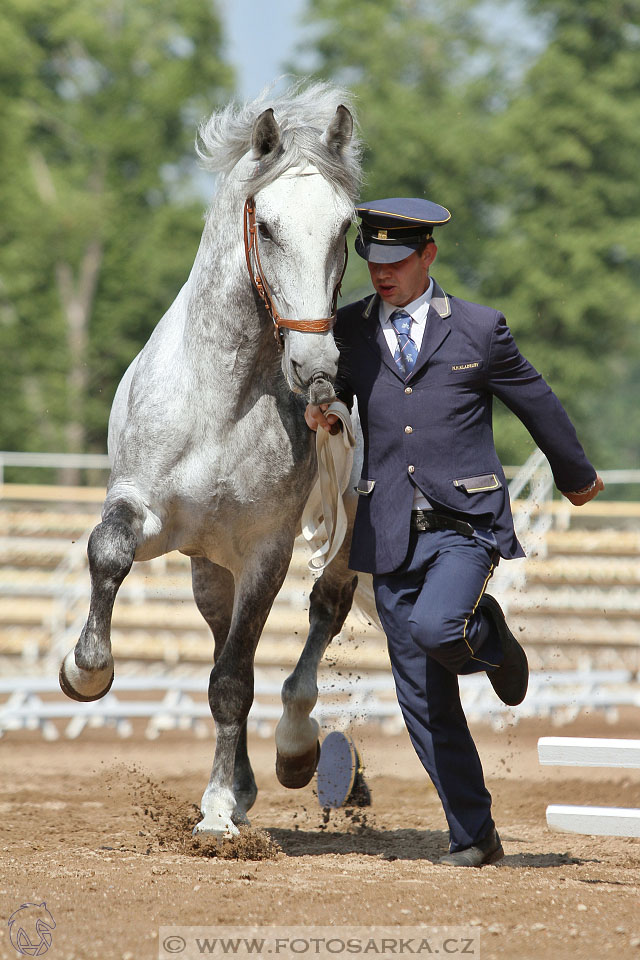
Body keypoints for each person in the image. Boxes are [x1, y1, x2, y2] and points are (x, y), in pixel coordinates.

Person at [305, 197, 604, 867]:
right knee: (423, 701)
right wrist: (325, 416)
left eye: (397, 262)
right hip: (385, 529)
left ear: (428, 257)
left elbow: (538, 401)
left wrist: (575, 476)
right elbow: (338, 396)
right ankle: (474, 835)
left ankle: (488, 637)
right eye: (373, 262)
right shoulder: (348, 331)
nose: (382, 274)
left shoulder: (478, 329)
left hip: (464, 525)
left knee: (440, 630)